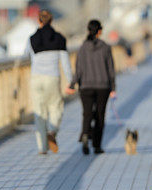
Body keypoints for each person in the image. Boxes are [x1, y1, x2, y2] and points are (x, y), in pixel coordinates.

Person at [24, 9, 72, 155]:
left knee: (39, 112)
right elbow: (65, 64)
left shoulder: (32, 38)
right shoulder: (60, 38)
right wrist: (71, 82)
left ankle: (42, 147)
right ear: (51, 21)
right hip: (52, 78)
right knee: (56, 107)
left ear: (39, 21)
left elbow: (25, 55)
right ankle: (52, 131)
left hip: (36, 78)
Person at [65, 19, 116, 155]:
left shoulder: (82, 48)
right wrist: (113, 88)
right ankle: (97, 146)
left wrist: (71, 85)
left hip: (86, 86)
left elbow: (79, 70)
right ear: (99, 31)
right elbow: (111, 69)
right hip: (102, 86)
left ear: (88, 31)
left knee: (87, 113)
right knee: (100, 115)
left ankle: (86, 134)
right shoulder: (105, 47)